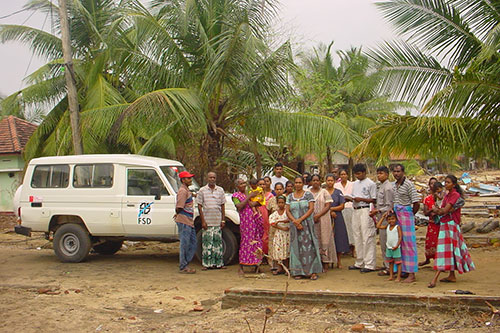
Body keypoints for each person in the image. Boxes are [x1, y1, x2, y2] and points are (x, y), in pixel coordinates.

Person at [428, 175, 475, 288]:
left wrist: (435, 209)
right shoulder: (448, 195)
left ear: (454, 184)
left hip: (450, 224)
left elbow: (444, 210)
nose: (446, 184)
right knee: (452, 250)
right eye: (445, 182)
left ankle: (435, 278)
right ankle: (451, 275)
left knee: (444, 251)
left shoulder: (454, 195)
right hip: (447, 223)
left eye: (448, 182)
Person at [286, 176, 322, 280]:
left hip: (307, 226)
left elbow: (311, 209)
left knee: (309, 248)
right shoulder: (290, 197)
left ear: (303, 183)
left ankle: (312, 272)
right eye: (296, 183)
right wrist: (295, 221)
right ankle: (298, 272)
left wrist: (300, 220)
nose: (297, 184)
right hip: (295, 227)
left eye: (300, 182)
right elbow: (287, 211)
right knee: (296, 248)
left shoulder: (308, 195)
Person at [392, 163, 421, 283]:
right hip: (397, 214)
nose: (396, 173)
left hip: (406, 214)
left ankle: (411, 273)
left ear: (403, 172)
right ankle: (402, 269)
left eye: (398, 171)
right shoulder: (395, 185)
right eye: (394, 171)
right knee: (398, 242)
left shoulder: (408, 185)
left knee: (409, 244)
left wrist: (409, 215)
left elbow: (416, 203)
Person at [348, 163, 377, 273]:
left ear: (364, 172)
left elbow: (374, 199)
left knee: (367, 236)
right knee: (357, 235)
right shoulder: (355, 184)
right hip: (355, 209)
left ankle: (369, 263)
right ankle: (359, 261)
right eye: (356, 174)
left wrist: (362, 199)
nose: (358, 176)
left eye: (359, 174)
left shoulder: (371, 184)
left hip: (366, 209)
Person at [232, 179, 263, 275]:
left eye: (244, 183)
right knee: (246, 242)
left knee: (256, 241)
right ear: (237, 186)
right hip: (245, 223)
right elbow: (239, 206)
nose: (243, 185)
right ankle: (241, 265)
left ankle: (256, 264)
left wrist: (254, 201)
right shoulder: (235, 196)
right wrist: (249, 197)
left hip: (254, 220)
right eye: (241, 184)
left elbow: (258, 202)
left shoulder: (249, 193)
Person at [197, 172, 226, 270]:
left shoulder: (220, 190)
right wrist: (203, 221)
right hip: (207, 221)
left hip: (217, 221)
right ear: (207, 178)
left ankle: (218, 264)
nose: (212, 179)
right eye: (210, 177)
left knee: (217, 244)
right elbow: (200, 206)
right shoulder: (202, 190)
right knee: (207, 244)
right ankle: (206, 264)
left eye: (214, 177)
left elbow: (222, 205)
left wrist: (223, 220)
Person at [309, 174, 337, 272]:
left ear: (320, 181)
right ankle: (316, 263)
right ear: (311, 181)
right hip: (311, 219)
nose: (315, 182)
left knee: (324, 239)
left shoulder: (324, 192)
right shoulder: (307, 192)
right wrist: (312, 216)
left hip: (323, 219)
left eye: (317, 180)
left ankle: (325, 263)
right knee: (313, 240)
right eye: (314, 180)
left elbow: (328, 205)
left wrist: (318, 215)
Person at [369, 166, 394, 275]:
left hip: (385, 218)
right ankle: (386, 264)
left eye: (381, 173)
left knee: (385, 243)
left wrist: (377, 210)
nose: (379, 176)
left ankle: (389, 267)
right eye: (378, 173)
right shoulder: (381, 186)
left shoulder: (388, 188)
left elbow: (389, 205)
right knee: (383, 242)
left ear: (387, 174)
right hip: (380, 217)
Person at [326, 173, 350, 268]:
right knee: (326, 239)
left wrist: (332, 209)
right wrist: (328, 211)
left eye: (332, 180)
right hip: (326, 217)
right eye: (328, 180)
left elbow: (342, 205)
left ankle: (339, 261)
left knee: (339, 238)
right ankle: (327, 262)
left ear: (334, 181)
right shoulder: (323, 192)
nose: (330, 182)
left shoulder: (338, 192)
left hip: (338, 217)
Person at [175, 171, 197, 274]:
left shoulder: (186, 190)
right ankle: (183, 265)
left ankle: (185, 263)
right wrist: (178, 214)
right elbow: (179, 206)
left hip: (188, 221)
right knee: (185, 244)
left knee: (192, 242)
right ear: (183, 180)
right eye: (188, 178)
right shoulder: (183, 191)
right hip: (184, 220)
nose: (190, 180)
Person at [419, 181, 444, 267]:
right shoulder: (428, 199)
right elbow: (425, 213)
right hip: (432, 224)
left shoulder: (444, 198)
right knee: (430, 242)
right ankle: (428, 259)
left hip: (441, 224)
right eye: (431, 184)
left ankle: (440, 262)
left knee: (440, 243)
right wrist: (432, 210)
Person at [376, 212, 403, 282]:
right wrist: (382, 217)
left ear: (396, 219)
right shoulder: (387, 226)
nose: (391, 221)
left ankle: (398, 277)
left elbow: (400, 237)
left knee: (398, 263)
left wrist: (397, 245)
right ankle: (391, 275)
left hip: (396, 247)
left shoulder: (397, 227)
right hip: (389, 247)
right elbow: (378, 226)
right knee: (390, 262)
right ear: (387, 220)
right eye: (389, 219)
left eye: (393, 219)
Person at [334, 169, 355, 255]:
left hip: (350, 208)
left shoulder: (352, 184)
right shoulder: (336, 185)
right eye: (341, 174)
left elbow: (354, 196)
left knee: (351, 229)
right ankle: (342, 248)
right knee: (342, 230)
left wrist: (348, 198)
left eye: (345, 174)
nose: (343, 176)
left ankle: (353, 249)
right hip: (340, 209)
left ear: (347, 175)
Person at [269, 195, 290, 275]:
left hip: (287, 235)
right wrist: (281, 228)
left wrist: (282, 221)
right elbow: (272, 223)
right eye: (279, 203)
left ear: (285, 203)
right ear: (277, 203)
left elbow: (290, 219)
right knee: (279, 251)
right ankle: (280, 268)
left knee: (287, 250)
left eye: (282, 203)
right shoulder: (275, 213)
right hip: (279, 234)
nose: (281, 204)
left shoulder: (287, 212)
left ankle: (287, 268)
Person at [260, 177, 274, 256]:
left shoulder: (270, 195)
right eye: (260, 184)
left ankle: (267, 255)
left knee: (267, 236)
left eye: (263, 184)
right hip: (258, 217)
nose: (262, 186)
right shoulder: (255, 196)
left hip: (267, 217)